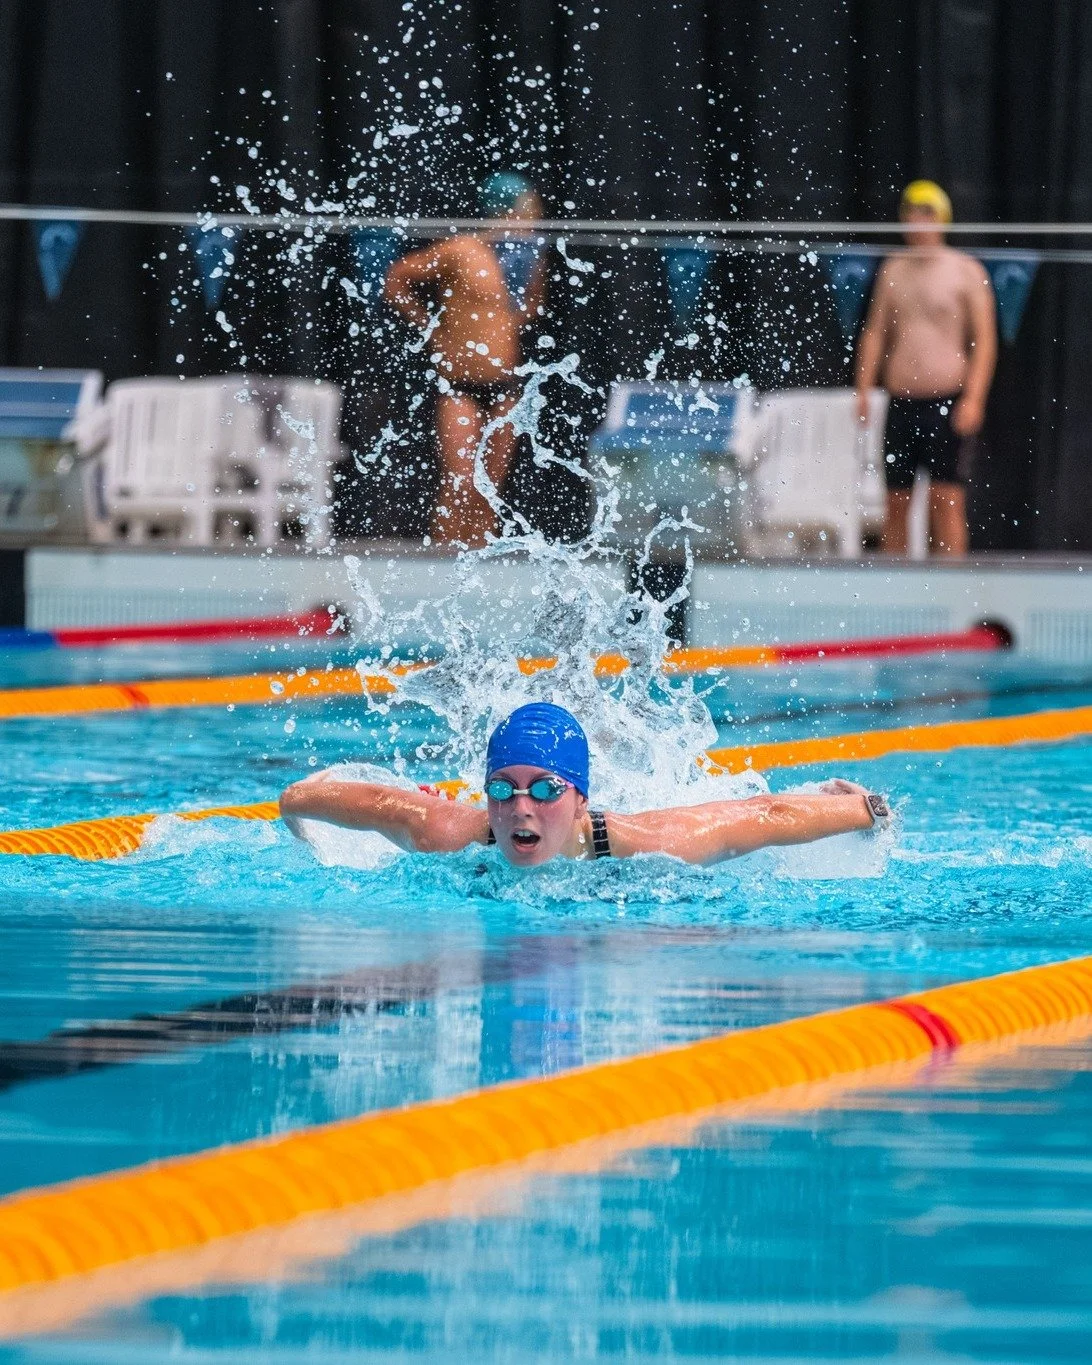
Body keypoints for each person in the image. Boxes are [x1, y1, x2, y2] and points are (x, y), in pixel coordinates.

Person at [280, 702, 890, 868]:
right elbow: (363, 801)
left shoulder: (652, 842)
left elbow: (762, 816)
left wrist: (866, 810)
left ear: (579, 800)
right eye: (503, 789)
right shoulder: (447, 831)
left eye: (544, 790)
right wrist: (293, 805)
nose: (521, 807)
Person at [383, 172, 546, 549]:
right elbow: (397, 278)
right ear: (506, 212)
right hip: (460, 385)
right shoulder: (462, 250)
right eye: (530, 211)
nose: (536, 220)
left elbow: (531, 309)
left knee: (490, 487)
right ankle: (443, 564)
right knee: (459, 481)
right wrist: (431, 330)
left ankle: (478, 568)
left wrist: (498, 327)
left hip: (505, 386)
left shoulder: (530, 258)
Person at [854, 180, 997, 557]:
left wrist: (975, 399)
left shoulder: (966, 271)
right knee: (896, 502)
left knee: (945, 500)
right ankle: (896, 594)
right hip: (900, 402)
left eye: (926, 214)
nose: (918, 222)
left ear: (942, 219)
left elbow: (984, 341)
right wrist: (863, 388)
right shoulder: (892, 270)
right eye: (911, 214)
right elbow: (874, 332)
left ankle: (951, 590)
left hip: (947, 401)